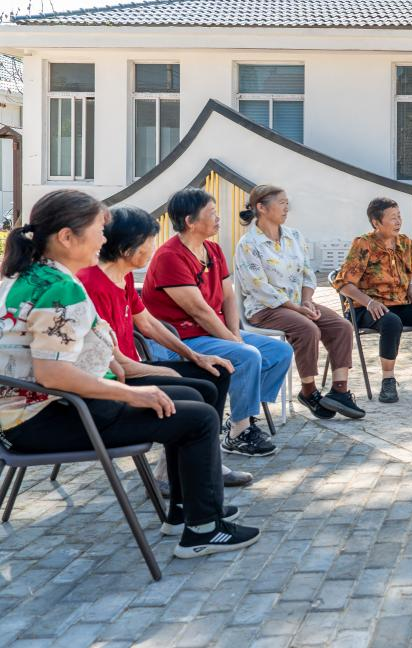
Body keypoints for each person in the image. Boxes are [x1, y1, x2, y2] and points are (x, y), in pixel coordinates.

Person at [0, 190, 259, 557]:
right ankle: (204, 531)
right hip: (42, 418)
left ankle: (186, 512)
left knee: (192, 396)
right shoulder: (61, 287)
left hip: (38, 412)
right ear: (67, 237)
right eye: (98, 230)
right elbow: (53, 374)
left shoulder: (31, 275)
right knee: (198, 418)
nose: (103, 240)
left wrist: (146, 376)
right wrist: (134, 393)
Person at [77, 204, 253, 493]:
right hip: (116, 376)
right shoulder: (91, 285)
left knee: (216, 371)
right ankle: (174, 473)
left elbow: (148, 323)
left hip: (131, 367)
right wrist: (168, 372)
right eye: (148, 241)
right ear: (127, 248)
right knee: (194, 390)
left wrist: (195, 356)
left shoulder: (123, 276)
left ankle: (199, 464)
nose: (152, 248)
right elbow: (111, 360)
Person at [141, 188, 293, 458]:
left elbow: (228, 296)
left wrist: (235, 333)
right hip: (179, 340)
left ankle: (239, 418)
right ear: (190, 221)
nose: (218, 218)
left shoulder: (212, 249)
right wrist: (233, 341)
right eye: (211, 213)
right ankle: (239, 432)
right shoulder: (169, 257)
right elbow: (199, 311)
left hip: (212, 334)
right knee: (247, 355)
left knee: (279, 351)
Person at [233, 185, 363, 420]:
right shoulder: (248, 244)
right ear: (261, 207)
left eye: (287, 203)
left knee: (342, 327)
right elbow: (258, 287)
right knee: (307, 328)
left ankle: (339, 391)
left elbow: (307, 273)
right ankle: (308, 391)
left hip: (299, 304)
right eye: (281, 203)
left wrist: (307, 301)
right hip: (265, 309)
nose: (286, 208)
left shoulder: (294, 236)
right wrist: (297, 308)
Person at [333, 197, 412, 403]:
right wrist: (370, 302)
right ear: (376, 222)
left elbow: (411, 274)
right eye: (392, 218)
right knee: (391, 321)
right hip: (366, 308)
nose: (398, 221)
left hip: (400, 304)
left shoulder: (405, 243)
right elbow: (343, 283)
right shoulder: (363, 244)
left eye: (399, 216)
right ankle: (388, 380)